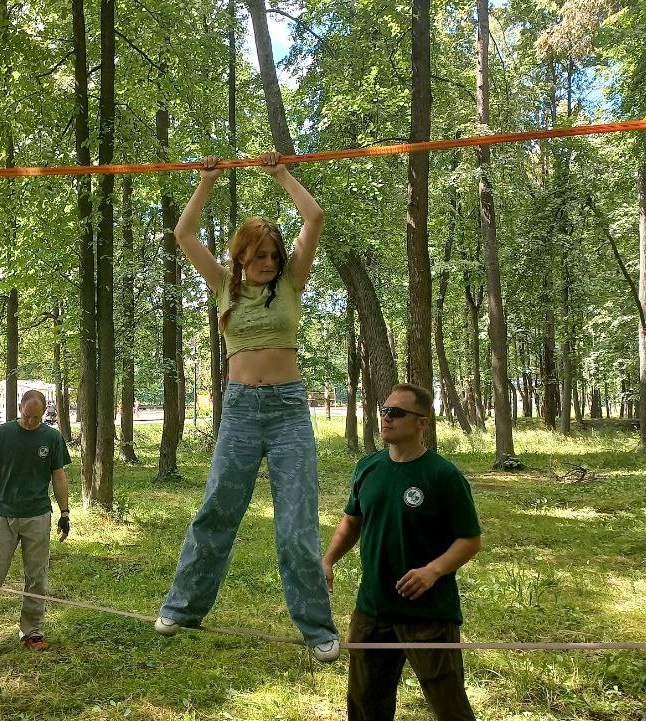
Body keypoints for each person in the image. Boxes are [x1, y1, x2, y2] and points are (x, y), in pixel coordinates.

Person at [155, 153, 340, 662]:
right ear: (240, 255)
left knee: (296, 524)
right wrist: (206, 182)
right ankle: (183, 606)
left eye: (274, 254)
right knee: (218, 509)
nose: (269, 262)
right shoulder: (221, 284)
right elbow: (184, 234)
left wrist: (281, 174)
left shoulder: (291, 285)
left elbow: (314, 217)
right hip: (239, 412)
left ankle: (317, 628)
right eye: (260, 254)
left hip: (287, 413)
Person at [323, 383, 482, 721]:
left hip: (429, 614)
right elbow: (352, 522)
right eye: (384, 410)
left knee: (449, 705)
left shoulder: (443, 475)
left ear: (422, 423)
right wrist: (328, 559)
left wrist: (432, 571)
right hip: (373, 608)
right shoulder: (368, 468)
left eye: (397, 413)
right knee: (366, 704)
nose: (386, 418)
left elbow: (469, 540)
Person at [0, 389, 72, 657]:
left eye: (37, 417)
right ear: (19, 408)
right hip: (4, 516)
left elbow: (58, 476)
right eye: (27, 415)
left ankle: (32, 632)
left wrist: (65, 513)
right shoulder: (2, 434)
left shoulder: (52, 438)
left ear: (44, 413)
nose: (32, 421)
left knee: (37, 576)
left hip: (37, 516)